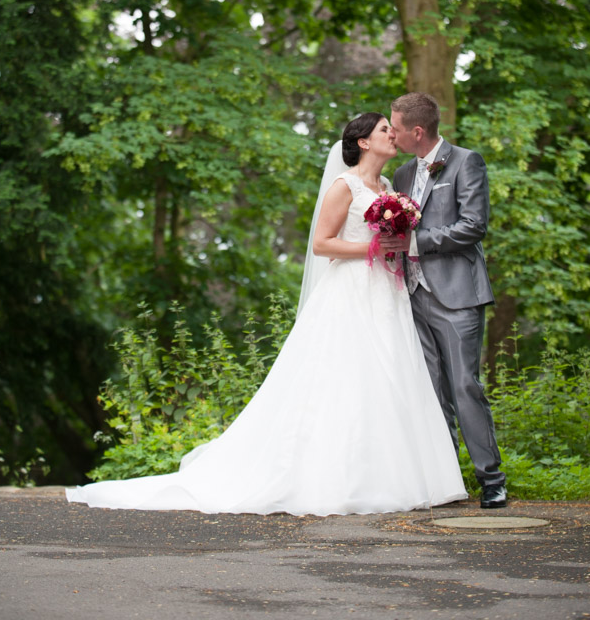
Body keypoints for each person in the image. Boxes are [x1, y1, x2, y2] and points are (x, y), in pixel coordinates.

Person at [66, 112, 467, 515]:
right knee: (346, 377)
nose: (392, 135)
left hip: (387, 291)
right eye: (384, 129)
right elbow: (322, 245)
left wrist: (395, 242)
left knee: (391, 376)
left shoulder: (387, 186)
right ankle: (338, 479)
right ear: (363, 141)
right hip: (349, 292)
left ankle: (396, 477)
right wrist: (372, 250)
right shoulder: (343, 186)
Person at [389, 92, 507, 509]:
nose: (392, 134)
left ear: (417, 131)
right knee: (432, 391)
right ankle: (447, 478)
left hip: (457, 295)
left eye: (396, 128)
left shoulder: (466, 162)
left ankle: (491, 478)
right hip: (413, 296)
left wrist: (415, 242)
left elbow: (474, 226)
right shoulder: (402, 175)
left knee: (463, 385)